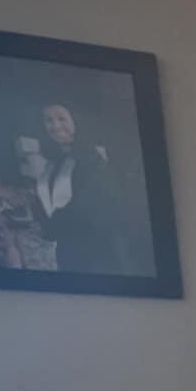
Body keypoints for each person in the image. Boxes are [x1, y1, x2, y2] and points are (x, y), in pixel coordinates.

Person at [31, 102, 122, 273]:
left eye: (61, 118)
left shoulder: (92, 157)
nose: (56, 125)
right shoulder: (52, 164)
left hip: (93, 249)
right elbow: (44, 199)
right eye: (48, 120)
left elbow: (93, 204)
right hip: (65, 248)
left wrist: (56, 225)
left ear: (75, 121)